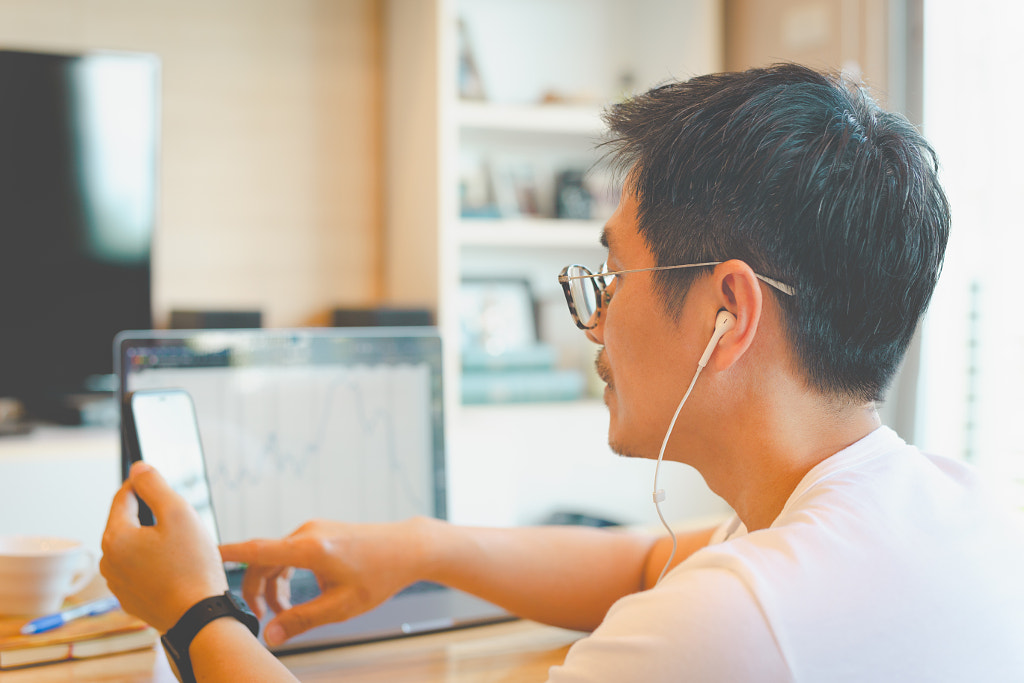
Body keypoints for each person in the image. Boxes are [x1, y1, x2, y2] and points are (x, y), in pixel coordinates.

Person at [100, 63, 1024, 681]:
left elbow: (684, 599)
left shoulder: (734, 621)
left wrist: (191, 609)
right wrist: (418, 548)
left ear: (727, 313)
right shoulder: (943, 504)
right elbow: (641, 561)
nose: (593, 316)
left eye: (611, 276)